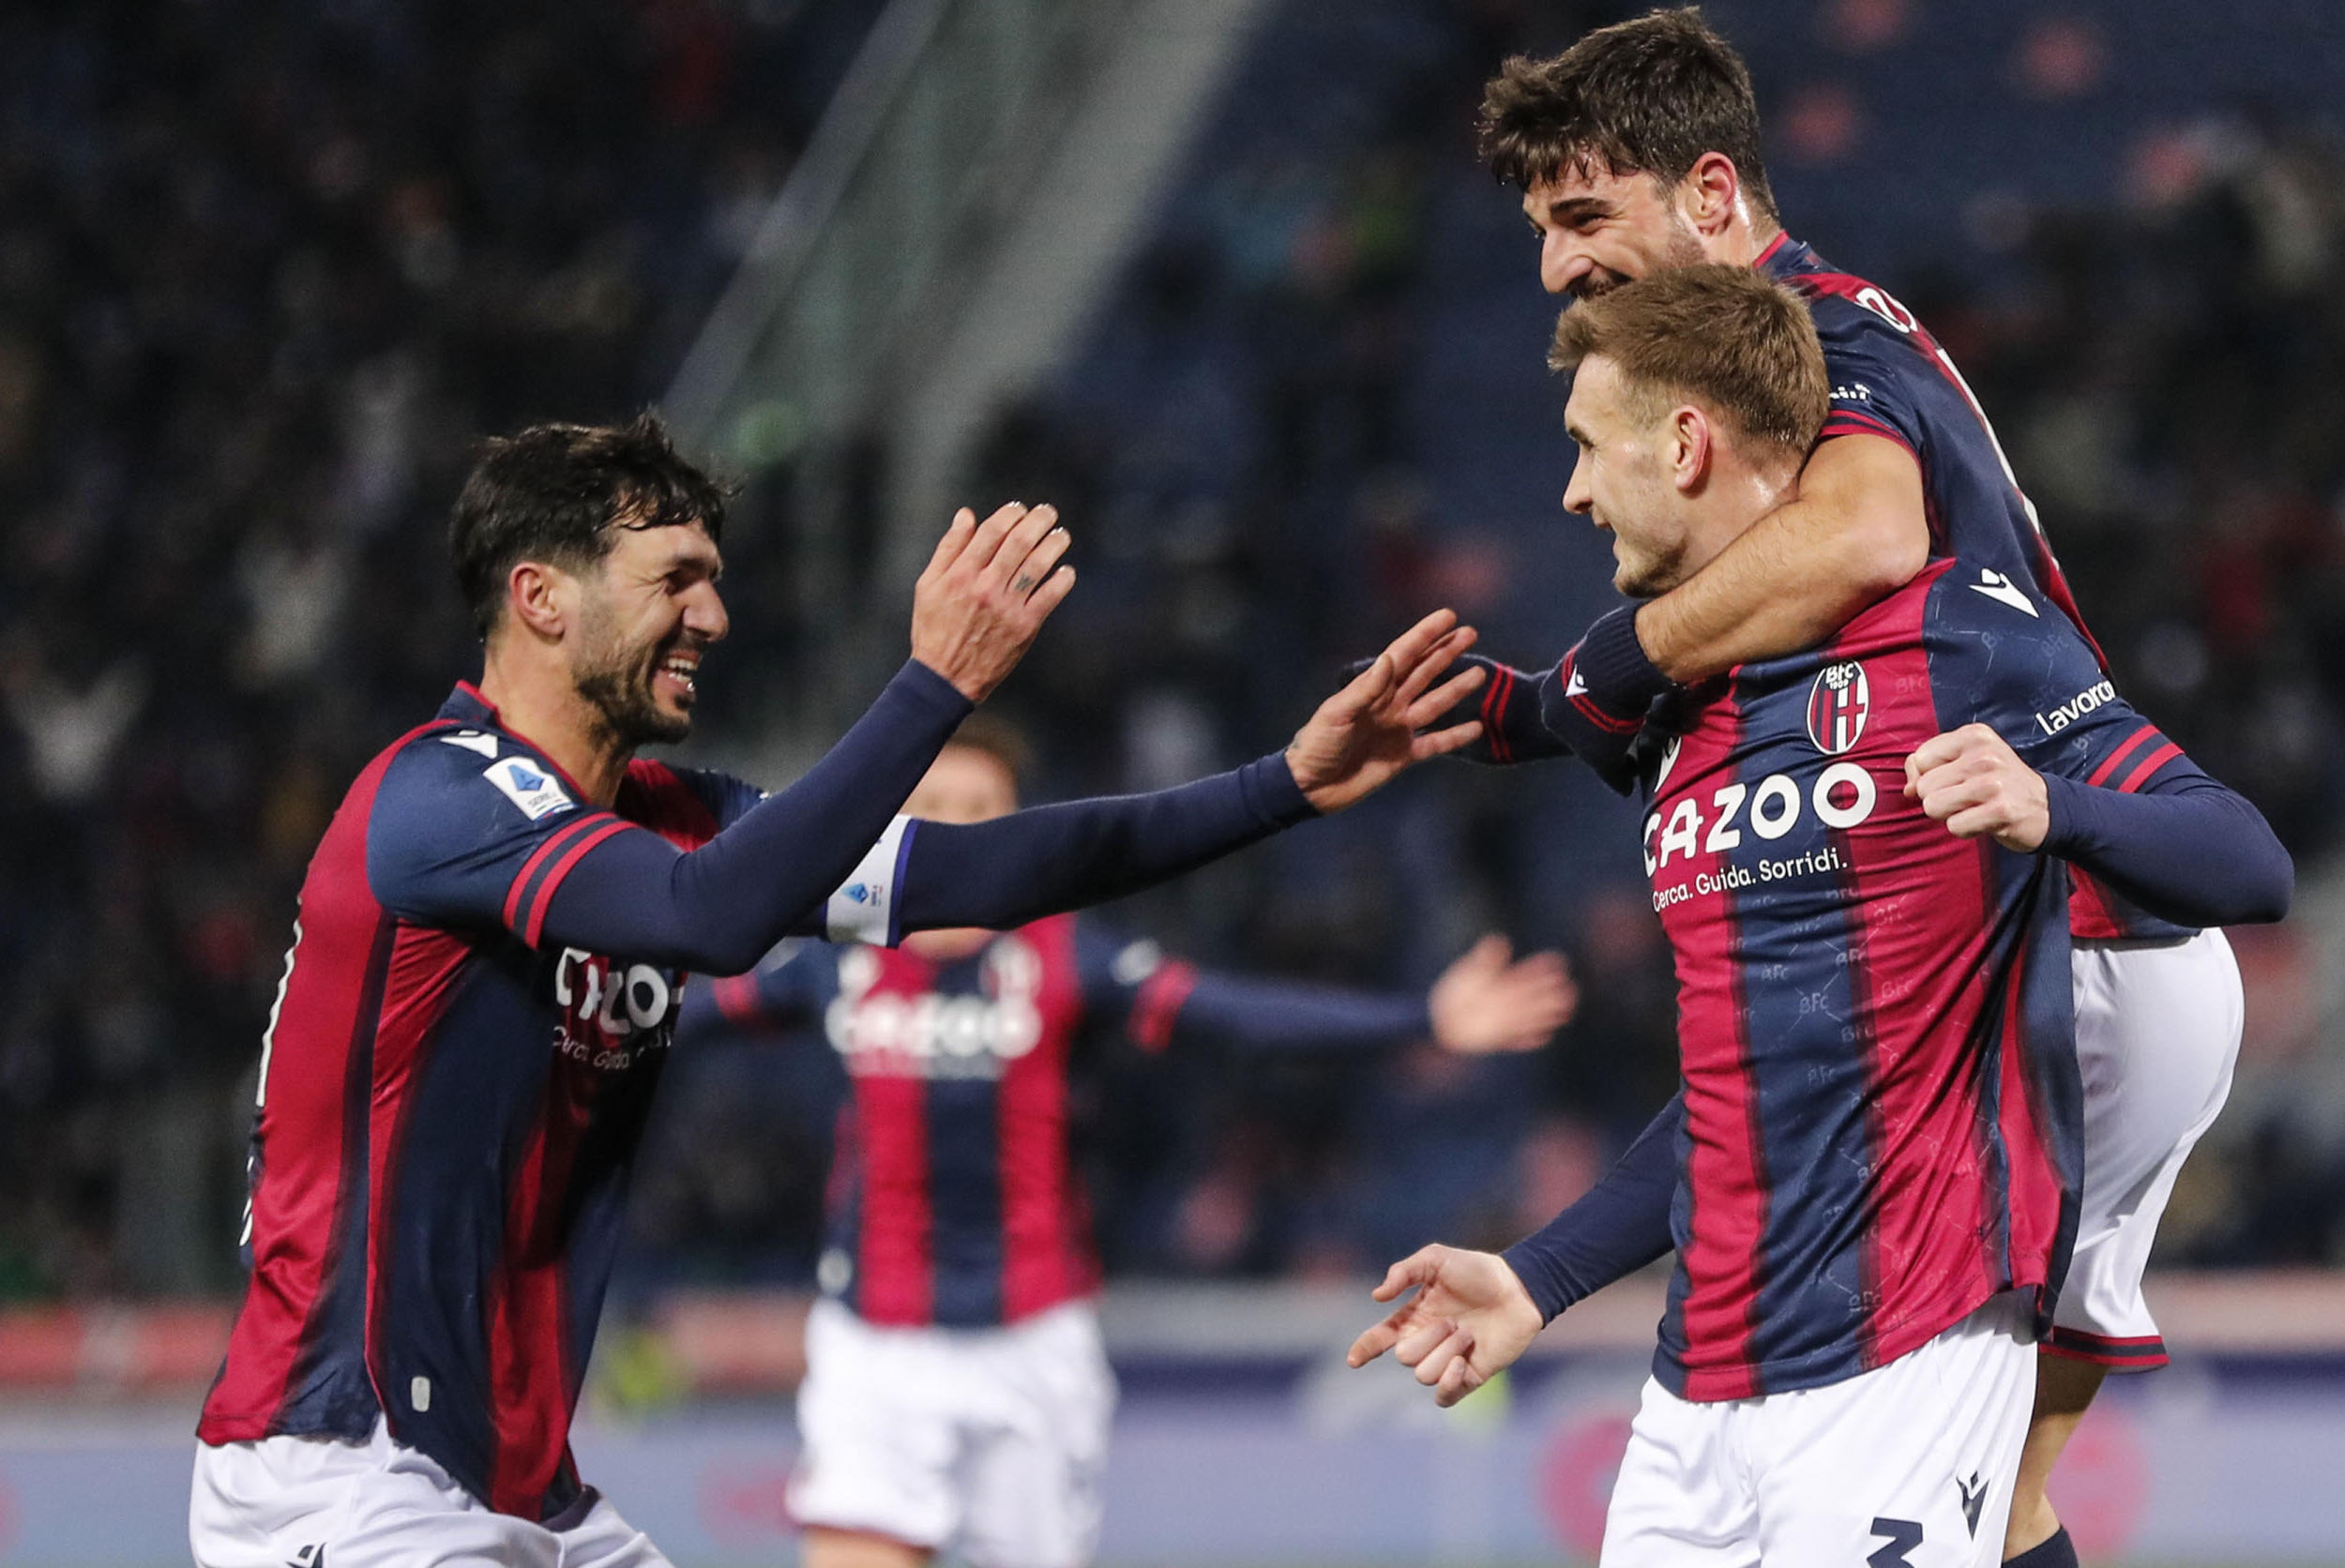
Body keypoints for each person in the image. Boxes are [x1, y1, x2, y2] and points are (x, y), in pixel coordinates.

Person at [189, 415, 1491, 1568]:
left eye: (713, 581)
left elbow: (981, 872)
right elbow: (713, 924)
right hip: (346, 1469)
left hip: (523, 1491)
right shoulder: (437, 800)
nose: (713, 616)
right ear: (541, 597)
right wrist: (933, 688)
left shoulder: (669, 819)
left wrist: (1283, 786)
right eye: (675, 581)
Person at [1445, 14, 2252, 1562]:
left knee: (1950, 1442)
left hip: (2072, 932)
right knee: (1997, 1497)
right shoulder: (1805, 347)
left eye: (1582, 217)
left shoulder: (1835, 334)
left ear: (1711, 193)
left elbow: (1871, 537)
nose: (1556, 266)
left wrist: (1589, 686)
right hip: (2049, 921)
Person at [669, 716, 1579, 1568]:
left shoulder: (1065, 956)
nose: (948, 839)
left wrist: (1419, 1017)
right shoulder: (834, 959)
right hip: (873, 1342)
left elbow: (1234, 1014)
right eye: (926, 814)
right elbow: (678, 1020)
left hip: (1032, 1346)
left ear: (1010, 835)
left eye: (975, 815)